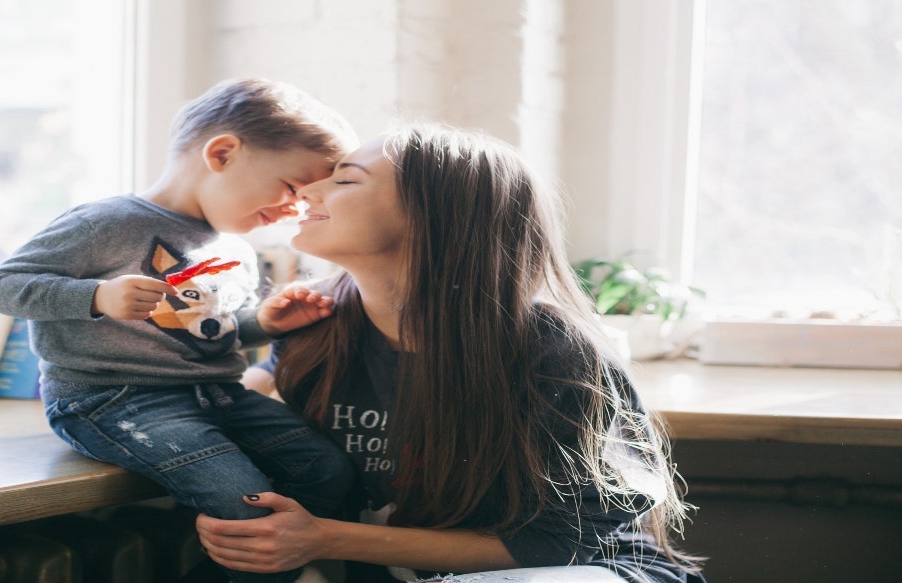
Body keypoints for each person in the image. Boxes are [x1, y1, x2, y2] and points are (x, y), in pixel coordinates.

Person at [195, 123, 706, 583]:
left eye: (346, 180)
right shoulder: (313, 328)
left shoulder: (556, 354)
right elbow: (262, 386)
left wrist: (324, 539)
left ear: (434, 217)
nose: (306, 191)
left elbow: (560, 540)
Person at [0, 78, 360, 583]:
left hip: (219, 395)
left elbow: (208, 335)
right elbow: (0, 285)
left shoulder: (236, 250)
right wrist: (96, 297)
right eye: (292, 188)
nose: (297, 209)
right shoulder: (105, 223)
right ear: (222, 153)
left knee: (330, 473)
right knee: (243, 502)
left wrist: (263, 323)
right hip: (112, 399)